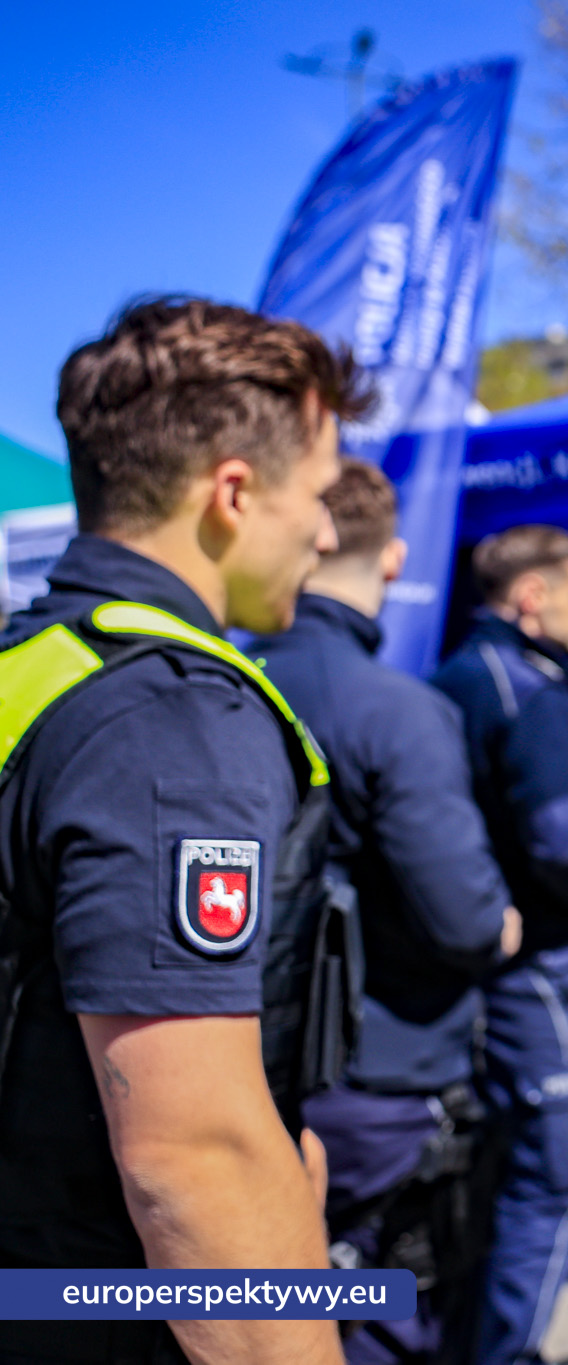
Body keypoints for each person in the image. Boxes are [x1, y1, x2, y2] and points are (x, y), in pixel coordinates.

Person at [0, 297, 356, 1365]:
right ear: (233, 493)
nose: (330, 533)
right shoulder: (170, 713)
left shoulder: (35, 663)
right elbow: (192, 1157)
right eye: (322, 496)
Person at [250, 458, 518, 1364]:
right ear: (393, 558)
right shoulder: (397, 710)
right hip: (378, 1080)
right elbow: (467, 917)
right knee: (373, 1316)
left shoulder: (218, 677)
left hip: (234, 1067)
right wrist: (506, 924)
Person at [433, 527, 568, 1365]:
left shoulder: (454, 675)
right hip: (541, 968)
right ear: (532, 597)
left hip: (472, 969)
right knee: (559, 1172)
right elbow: (563, 845)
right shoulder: (530, 691)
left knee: (494, 1172)